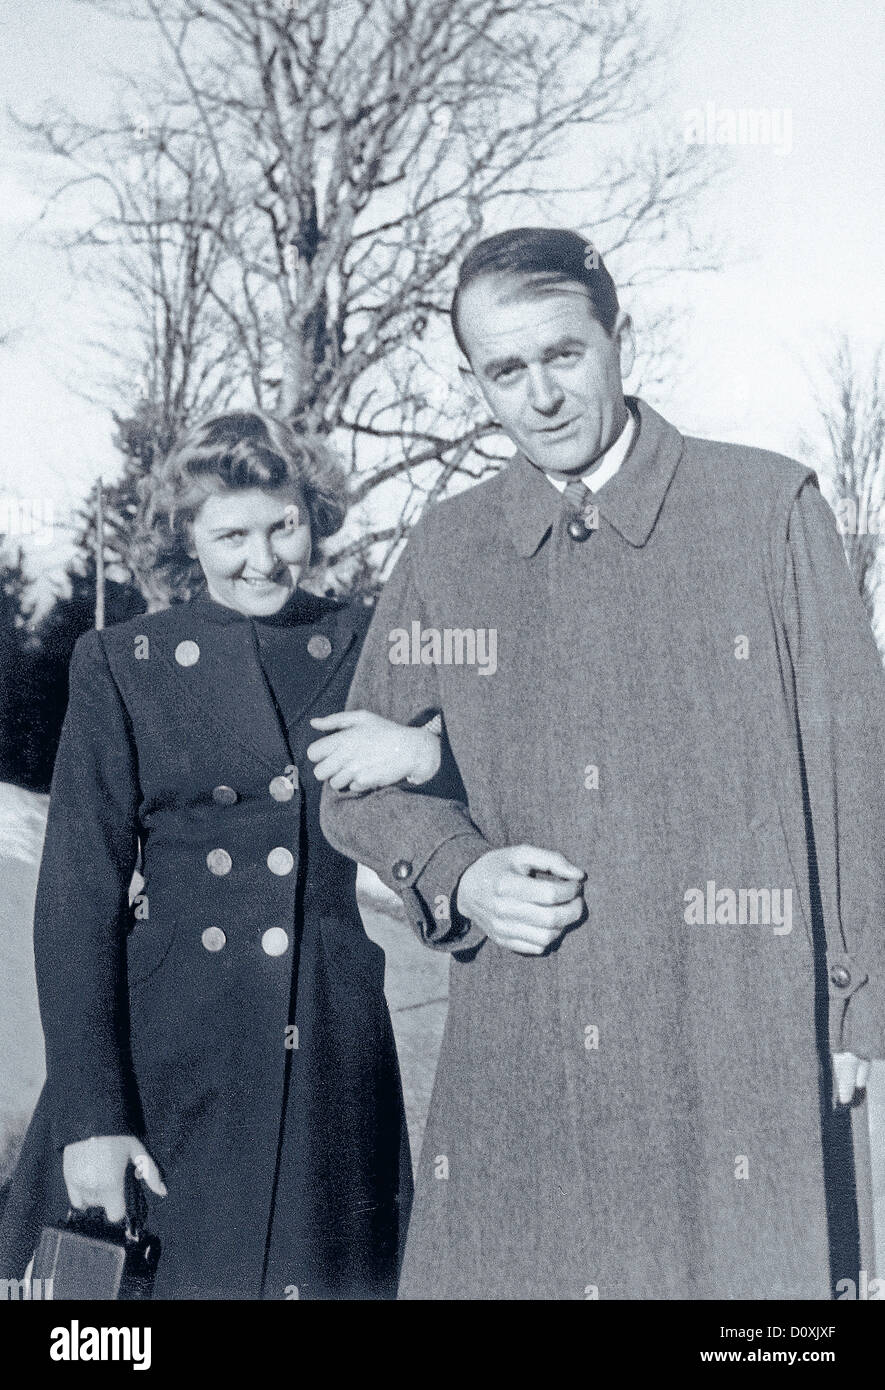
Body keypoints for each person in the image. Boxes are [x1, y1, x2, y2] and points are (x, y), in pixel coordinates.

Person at [320, 227, 885, 1300]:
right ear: (475, 380)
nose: (539, 396)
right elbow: (358, 775)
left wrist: (863, 1006)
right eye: (505, 370)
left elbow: (858, 768)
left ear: (621, 338)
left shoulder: (766, 510)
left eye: (564, 355)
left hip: (740, 1037)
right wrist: (457, 869)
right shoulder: (450, 544)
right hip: (527, 1052)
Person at [0, 410, 450, 1300]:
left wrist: (429, 753)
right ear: (187, 540)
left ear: (314, 516)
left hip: (325, 1038)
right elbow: (76, 894)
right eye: (231, 534)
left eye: (283, 525)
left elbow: (483, 771)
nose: (263, 558)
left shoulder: (372, 644)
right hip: (166, 1050)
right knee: (118, 1320)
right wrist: (93, 1117)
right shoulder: (123, 662)